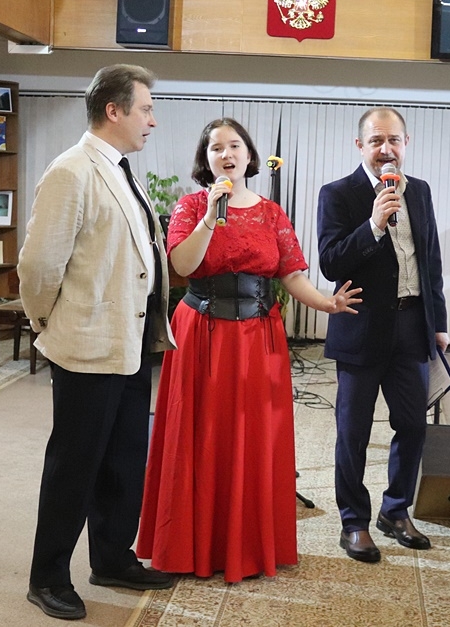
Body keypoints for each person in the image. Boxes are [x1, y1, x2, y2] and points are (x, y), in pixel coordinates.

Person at [137, 117, 362, 583]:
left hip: (258, 337)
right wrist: (208, 218)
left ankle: (247, 544)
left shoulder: (271, 213)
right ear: (206, 159)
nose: (227, 154)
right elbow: (182, 265)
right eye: (216, 147)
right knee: (200, 435)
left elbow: (291, 274)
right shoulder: (190, 206)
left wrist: (327, 303)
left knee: (253, 436)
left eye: (235, 145)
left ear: (249, 155)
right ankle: (192, 545)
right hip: (202, 334)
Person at [18, 64, 176, 621]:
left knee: (124, 461)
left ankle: (111, 559)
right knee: (75, 467)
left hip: (130, 344)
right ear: (114, 110)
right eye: (146, 109)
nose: (152, 120)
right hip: (86, 347)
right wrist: (47, 323)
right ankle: (47, 577)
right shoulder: (72, 170)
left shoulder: (120, 169)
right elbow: (38, 267)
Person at [317, 107, 449, 563]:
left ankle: (395, 511)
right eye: (376, 141)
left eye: (393, 140)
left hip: (413, 326)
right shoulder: (338, 194)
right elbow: (330, 262)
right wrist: (373, 225)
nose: (385, 149)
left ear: (405, 143)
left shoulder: (420, 191)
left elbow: (430, 259)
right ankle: (353, 521)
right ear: (361, 146)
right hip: (361, 327)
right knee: (353, 432)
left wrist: (439, 322)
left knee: (413, 426)